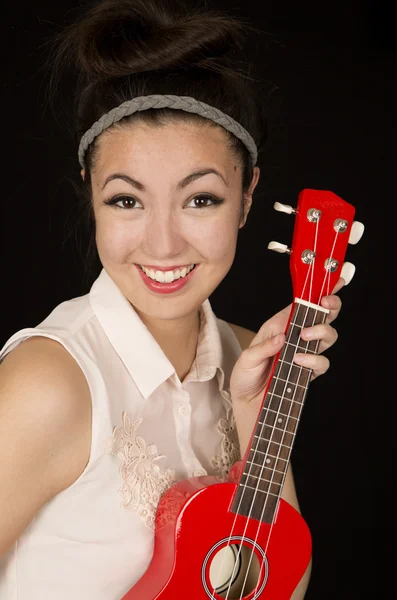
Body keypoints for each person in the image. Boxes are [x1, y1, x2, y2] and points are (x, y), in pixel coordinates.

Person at [0, 0, 344, 598]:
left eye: (201, 199)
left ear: (247, 195)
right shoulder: (50, 383)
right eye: (126, 200)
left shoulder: (245, 356)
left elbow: (279, 584)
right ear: (90, 195)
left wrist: (255, 419)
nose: (162, 243)